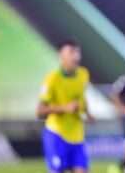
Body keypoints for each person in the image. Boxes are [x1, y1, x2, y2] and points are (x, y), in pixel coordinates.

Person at [37, 40, 95, 173]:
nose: (76, 56)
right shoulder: (52, 79)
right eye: (71, 52)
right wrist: (64, 108)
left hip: (77, 136)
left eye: (77, 52)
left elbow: (81, 97)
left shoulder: (83, 74)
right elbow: (40, 111)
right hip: (56, 135)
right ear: (61, 56)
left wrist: (88, 113)